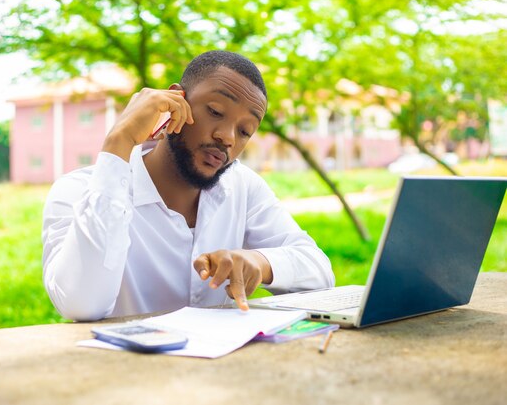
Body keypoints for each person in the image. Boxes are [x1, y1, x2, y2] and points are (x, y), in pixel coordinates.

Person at [42, 51, 334, 321]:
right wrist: (118, 141)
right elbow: (82, 304)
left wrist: (259, 261)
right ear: (174, 102)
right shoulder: (78, 191)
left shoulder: (242, 186)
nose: (228, 137)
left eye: (245, 131)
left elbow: (319, 272)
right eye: (216, 112)